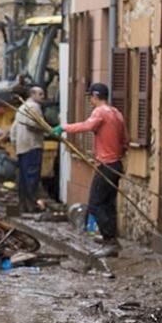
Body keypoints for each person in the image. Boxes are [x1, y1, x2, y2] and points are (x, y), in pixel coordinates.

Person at [53, 82, 129, 257]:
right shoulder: (116, 113)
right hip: (116, 164)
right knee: (108, 204)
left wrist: (63, 128)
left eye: (91, 98)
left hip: (106, 165)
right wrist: (117, 154)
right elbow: (125, 139)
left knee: (95, 204)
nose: (91, 101)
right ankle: (110, 239)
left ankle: (110, 241)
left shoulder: (100, 112)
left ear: (95, 96)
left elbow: (87, 126)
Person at [11, 86, 48, 213]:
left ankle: (24, 205)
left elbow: (13, 130)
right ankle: (32, 205)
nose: (43, 97)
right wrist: (46, 129)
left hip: (22, 147)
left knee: (23, 179)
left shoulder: (21, 108)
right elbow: (32, 124)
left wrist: (15, 144)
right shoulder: (34, 107)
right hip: (33, 146)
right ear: (32, 94)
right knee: (32, 177)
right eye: (41, 94)